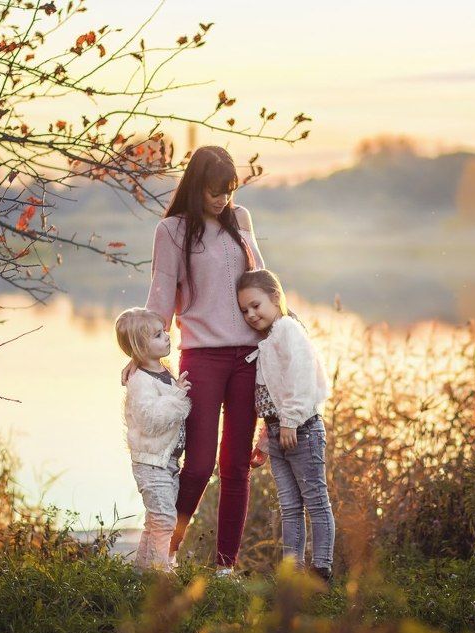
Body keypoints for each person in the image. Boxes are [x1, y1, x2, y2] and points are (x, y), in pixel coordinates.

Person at [123, 146, 266, 575]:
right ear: (195, 186)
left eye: (229, 190)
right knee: (200, 463)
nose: (223, 199)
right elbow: (161, 293)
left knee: (235, 466)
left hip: (249, 356)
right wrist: (140, 352)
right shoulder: (171, 230)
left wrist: (282, 332)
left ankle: (225, 569)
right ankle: (166, 556)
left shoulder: (239, 221)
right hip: (201, 357)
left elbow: (260, 279)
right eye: (214, 191)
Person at [236, 269, 334, 581]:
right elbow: (271, 396)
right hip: (279, 432)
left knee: (316, 502)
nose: (251, 314)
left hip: (302, 430)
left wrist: (291, 421)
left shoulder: (289, 329)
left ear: (276, 298)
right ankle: (293, 574)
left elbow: (302, 379)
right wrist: (266, 438)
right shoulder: (267, 339)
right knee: (290, 507)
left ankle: (322, 571)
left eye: (255, 305)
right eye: (244, 310)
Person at [116, 307, 192, 571]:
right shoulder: (140, 382)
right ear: (140, 347)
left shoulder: (163, 370)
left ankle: (142, 573)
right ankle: (161, 576)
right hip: (151, 464)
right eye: (158, 335)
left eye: (164, 332)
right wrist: (178, 397)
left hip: (167, 462)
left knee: (155, 521)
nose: (167, 337)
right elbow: (150, 420)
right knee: (164, 520)